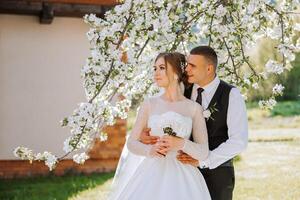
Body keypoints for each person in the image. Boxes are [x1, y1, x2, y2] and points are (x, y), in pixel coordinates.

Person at [140, 46, 248, 200]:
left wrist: (205, 160)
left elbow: (239, 141)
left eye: (193, 66)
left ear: (209, 68)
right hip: (182, 173)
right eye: (187, 64)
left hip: (217, 174)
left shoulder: (231, 94)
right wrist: (147, 135)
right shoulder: (181, 88)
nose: (187, 69)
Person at [109, 52, 211, 200]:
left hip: (184, 176)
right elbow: (131, 143)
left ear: (176, 72)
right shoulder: (149, 104)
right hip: (151, 173)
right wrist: (151, 150)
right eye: (155, 68)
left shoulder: (194, 108)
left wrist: (181, 143)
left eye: (162, 68)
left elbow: (203, 152)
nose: (156, 73)